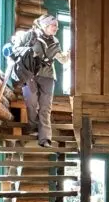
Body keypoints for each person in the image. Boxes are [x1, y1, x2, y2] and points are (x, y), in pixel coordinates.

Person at [13, 14, 68, 147]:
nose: (56, 28)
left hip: (48, 76)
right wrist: (29, 52)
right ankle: (33, 126)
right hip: (30, 73)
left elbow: (62, 60)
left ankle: (45, 139)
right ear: (45, 25)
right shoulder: (30, 35)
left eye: (57, 26)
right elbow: (15, 49)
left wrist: (68, 55)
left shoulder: (55, 41)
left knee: (45, 107)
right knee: (31, 101)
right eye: (54, 25)